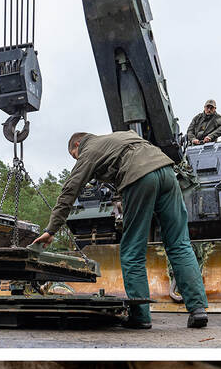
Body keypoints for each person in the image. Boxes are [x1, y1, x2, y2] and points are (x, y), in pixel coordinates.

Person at [30, 131, 210, 330]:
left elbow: (70, 189)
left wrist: (51, 229)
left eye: (75, 155)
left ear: (78, 144)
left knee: (132, 249)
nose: (77, 159)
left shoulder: (89, 150)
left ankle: (140, 316)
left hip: (140, 176)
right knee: (179, 243)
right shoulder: (121, 136)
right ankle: (198, 309)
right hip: (167, 172)